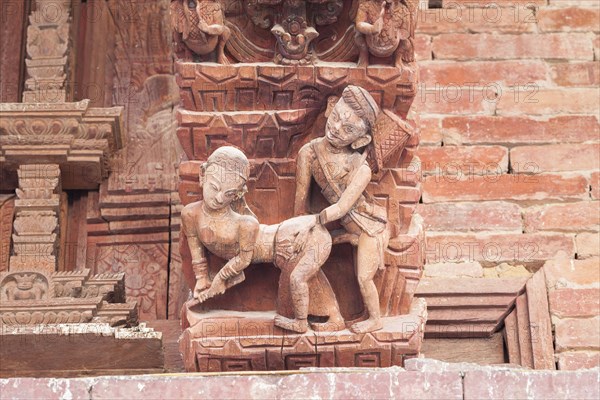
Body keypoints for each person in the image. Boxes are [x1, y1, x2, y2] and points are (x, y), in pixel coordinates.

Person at [181, 146, 343, 333]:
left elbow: (243, 260)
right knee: (300, 278)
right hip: (283, 249)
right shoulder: (190, 214)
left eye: (228, 193)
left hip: (290, 237)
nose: (218, 198)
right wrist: (202, 279)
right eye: (214, 187)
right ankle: (331, 318)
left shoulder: (246, 224)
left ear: (238, 193)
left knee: (298, 278)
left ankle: (305, 322)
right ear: (202, 175)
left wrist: (221, 278)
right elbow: (196, 252)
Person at [294, 85, 391, 333]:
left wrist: (316, 220)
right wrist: (298, 227)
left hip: (369, 228)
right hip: (343, 230)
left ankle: (375, 319)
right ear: (330, 107)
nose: (336, 129)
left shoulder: (362, 168)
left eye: (348, 129)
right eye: (336, 117)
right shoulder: (309, 153)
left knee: (364, 278)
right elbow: (299, 205)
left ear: (361, 139)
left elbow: (342, 207)